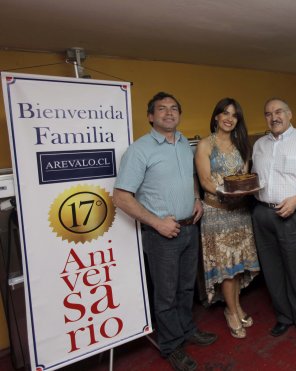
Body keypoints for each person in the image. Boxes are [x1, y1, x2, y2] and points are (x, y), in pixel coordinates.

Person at [113, 92, 217, 371]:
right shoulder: (140, 150)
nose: (169, 113)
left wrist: (196, 198)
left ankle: (187, 329)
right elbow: (121, 197)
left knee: (186, 287)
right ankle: (171, 345)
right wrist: (157, 223)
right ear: (150, 116)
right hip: (162, 235)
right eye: (161, 109)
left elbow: (190, 177)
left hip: (188, 228)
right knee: (166, 294)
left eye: (173, 108)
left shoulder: (184, 143)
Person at [251, 98, 296, 349]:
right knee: (272, 270)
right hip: (262, 214)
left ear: (289, 114)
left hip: (295, 213)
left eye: (279, 112)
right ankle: (284, 316)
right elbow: (254, 179)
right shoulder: (259, 144)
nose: (274, 117)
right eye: (268, 113)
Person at [194, 98, 260, 339]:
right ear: (216, 117)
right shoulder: (205, 145)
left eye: (234, 115)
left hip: (240, 213)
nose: (229, 118)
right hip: (216, 214)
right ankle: (231, 312)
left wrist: (244, 190)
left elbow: (243, 177)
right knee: (227, 268)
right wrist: (228, 193)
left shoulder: (242, 144)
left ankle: (237, 307)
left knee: (238, 265)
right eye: (224, 113)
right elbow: (205, 182)